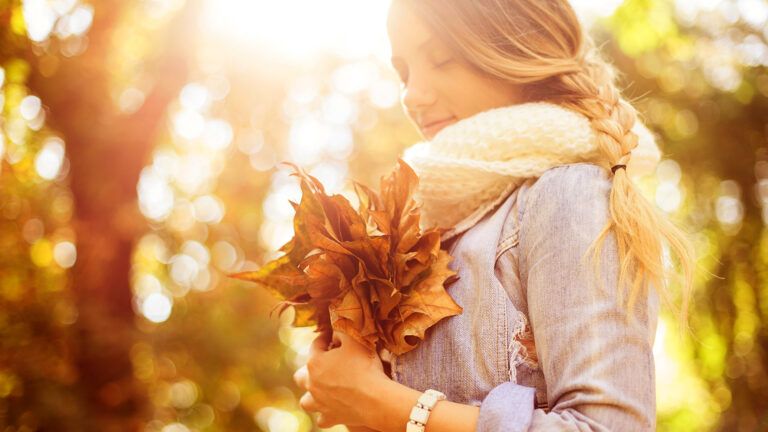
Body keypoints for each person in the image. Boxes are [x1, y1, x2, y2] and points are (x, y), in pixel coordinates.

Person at [292, 0, 695, 431]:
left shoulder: (566, 195)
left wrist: (383, 405)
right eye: (405, 71)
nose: (413, 94)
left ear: (518, 48)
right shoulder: (432, 226)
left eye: (442, 60)